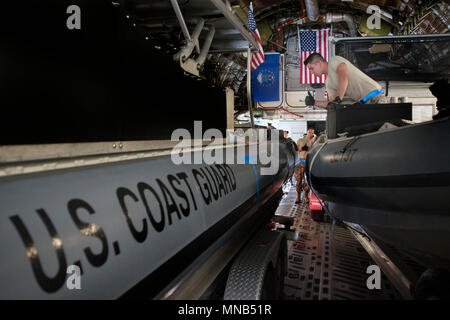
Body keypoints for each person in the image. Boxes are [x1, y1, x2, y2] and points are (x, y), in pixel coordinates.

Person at [303, 53, 387, 107]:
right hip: (364, 105)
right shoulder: (328, 83)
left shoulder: (334, 60)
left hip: (375, 97)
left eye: (311, 68)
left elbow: (343, 73)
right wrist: (314, 102)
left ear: (318, 63)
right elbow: (332, 105)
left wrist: (339, 96)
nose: (311, 72)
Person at [294, 127, 317, 204]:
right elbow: (296, 150)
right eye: (309, 132)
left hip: (308, 163)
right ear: (307, 132)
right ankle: (298, 197)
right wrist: (302, 149)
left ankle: (306, 196)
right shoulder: (300, 140)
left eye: (312, 132)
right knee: (298, 181)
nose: (310, 133)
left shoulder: (314, 141)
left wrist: (315, 138)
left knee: (307, 182)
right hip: (300, 163)